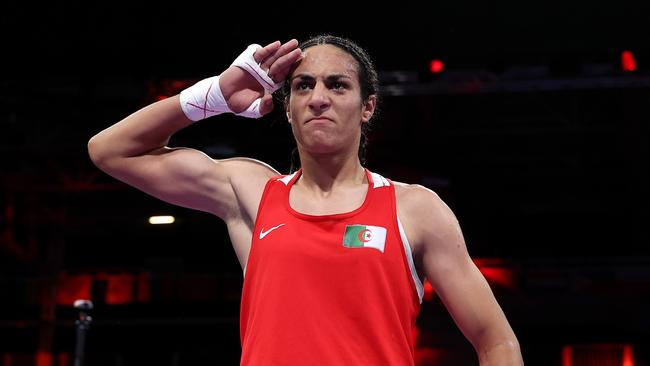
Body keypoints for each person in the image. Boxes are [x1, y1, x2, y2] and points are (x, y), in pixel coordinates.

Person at [88, 35, 523, 365]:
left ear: (367, 107)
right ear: (288, 105)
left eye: (337, 85)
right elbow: (109, 151)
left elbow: (496, 340)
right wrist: (213, 96)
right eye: (302, 87)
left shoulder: (415, 209)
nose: (318, 98)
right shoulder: (254, 192)